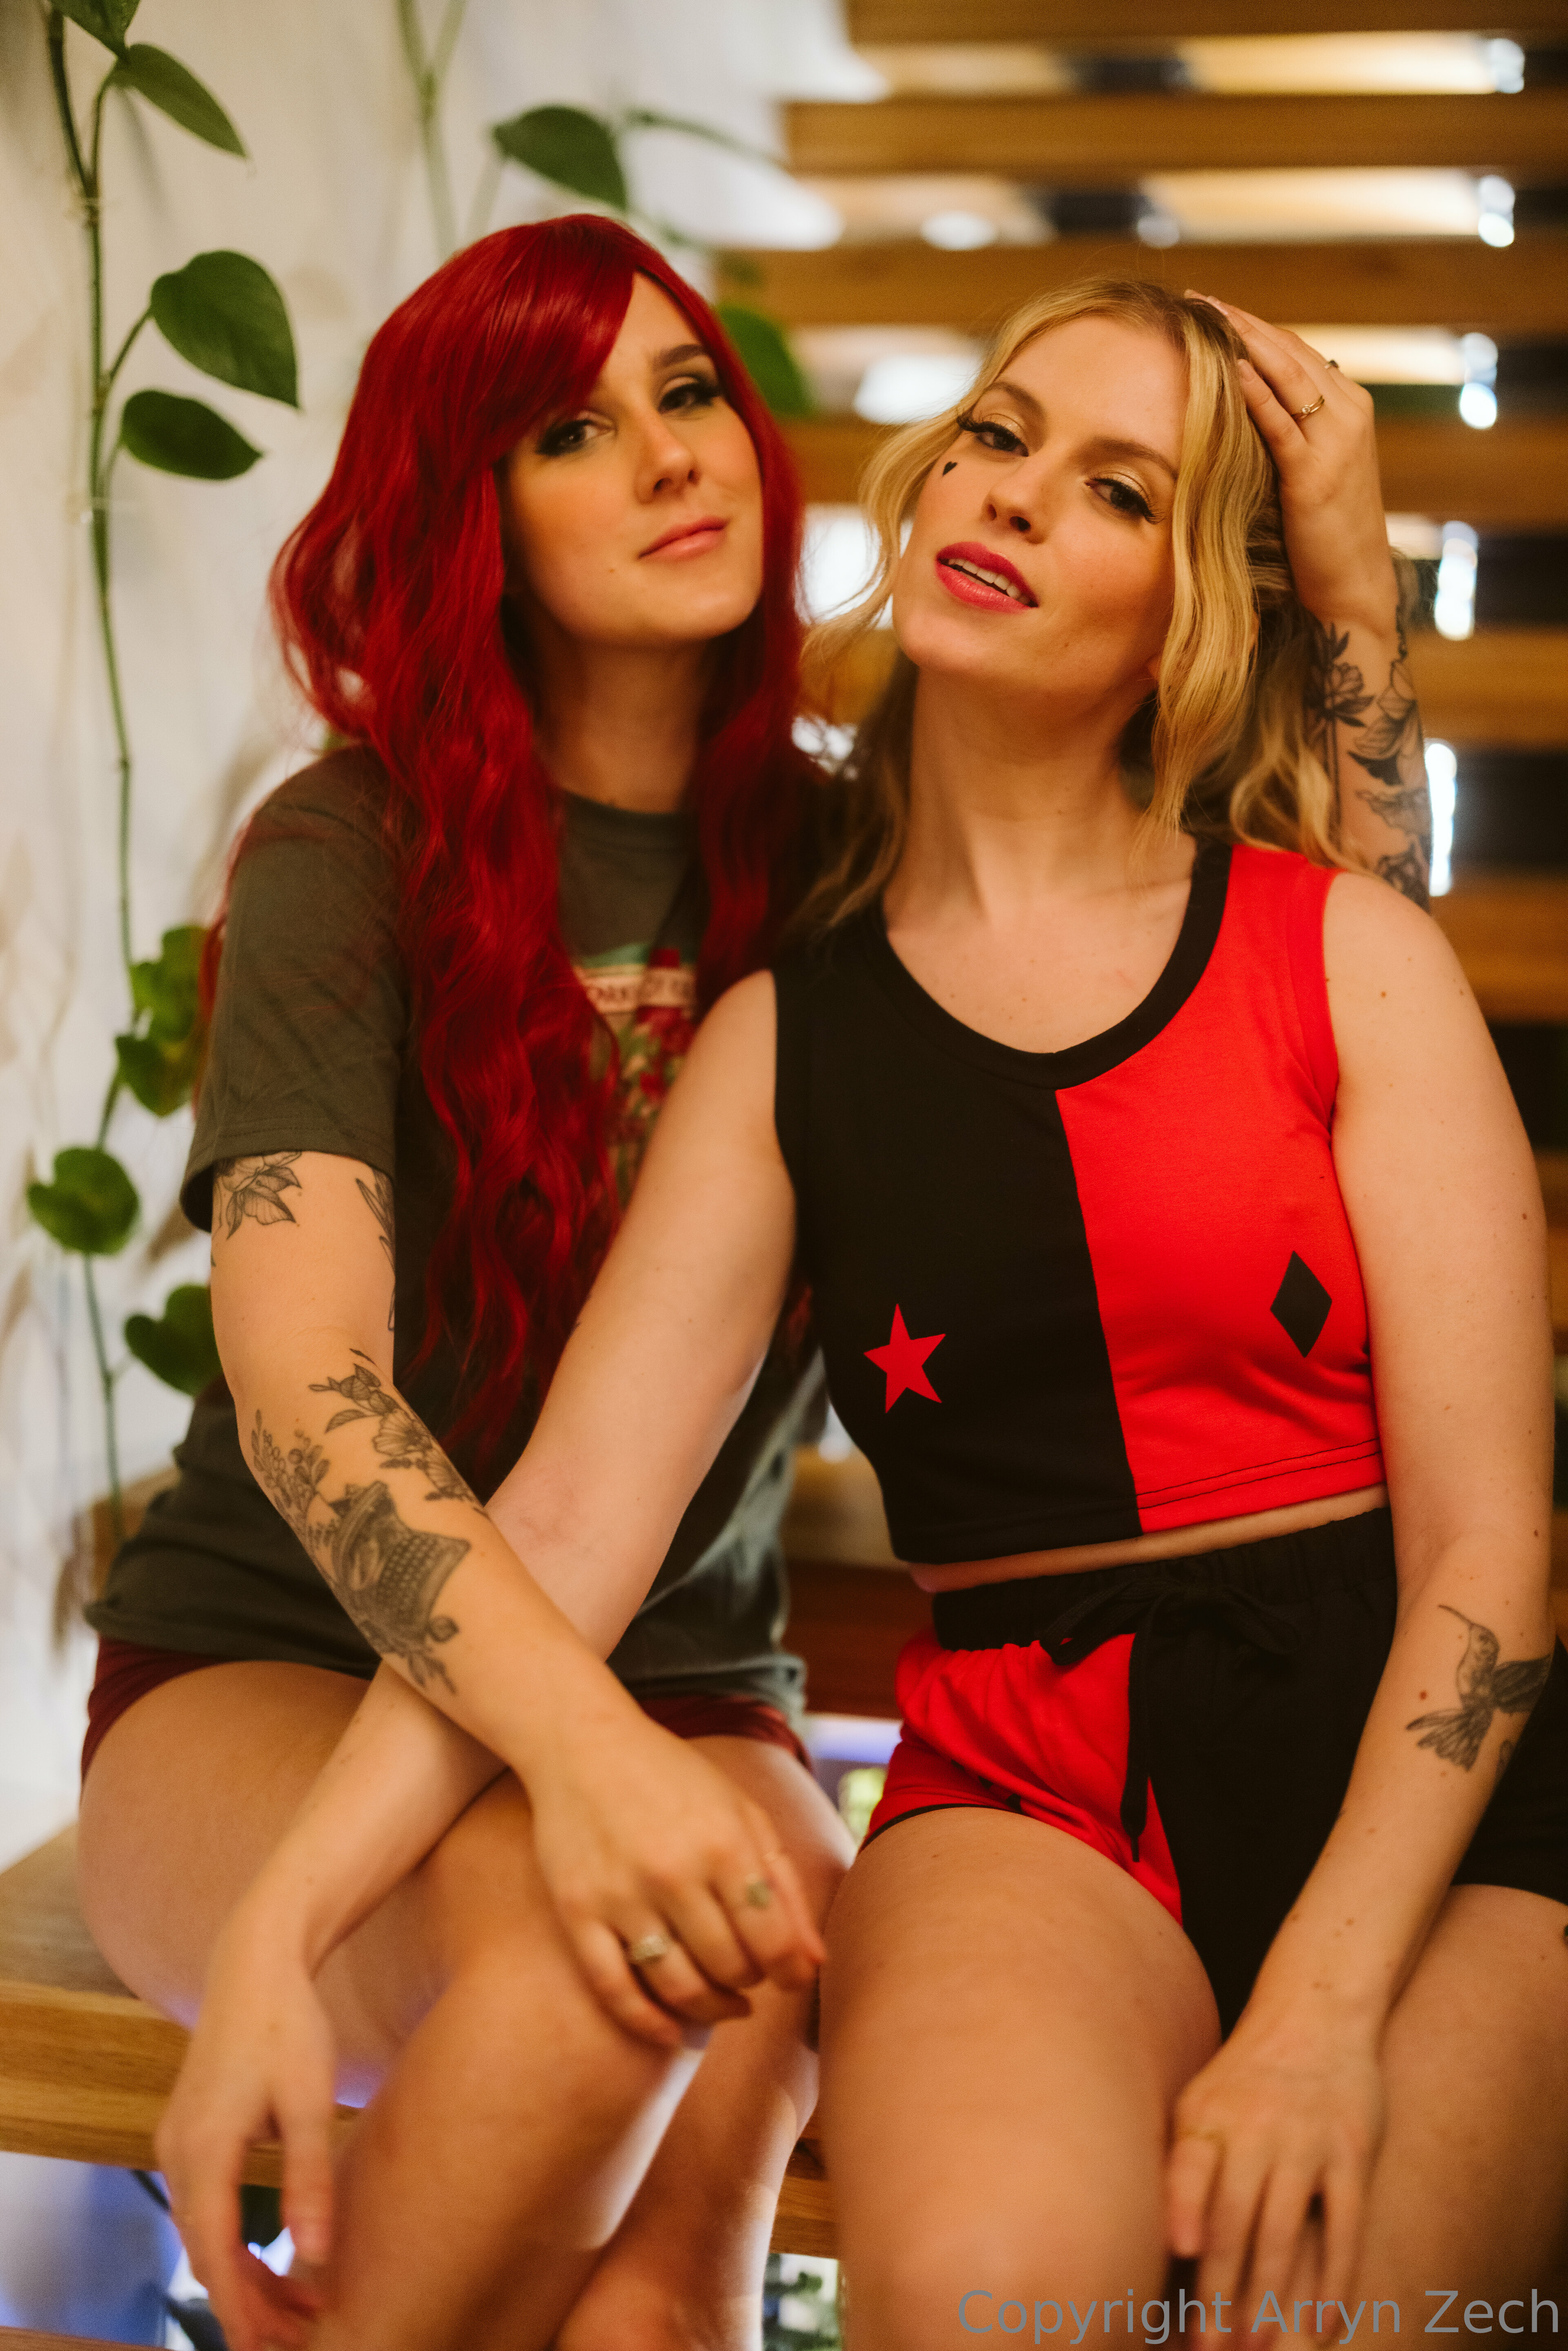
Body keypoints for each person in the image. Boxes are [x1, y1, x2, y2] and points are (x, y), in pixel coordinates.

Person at [129, 257, 1453, 2351]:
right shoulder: (351, 848)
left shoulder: (857, 874)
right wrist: (579, 1766)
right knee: (620, 1963)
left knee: (672, 2270)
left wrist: (1354, 599)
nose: (670, 457)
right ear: (474, 520)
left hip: (691, 1686)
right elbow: (306, 1390)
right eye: (572, 432)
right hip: (281, 1666)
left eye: (689, 393)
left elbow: (1324, 1003)